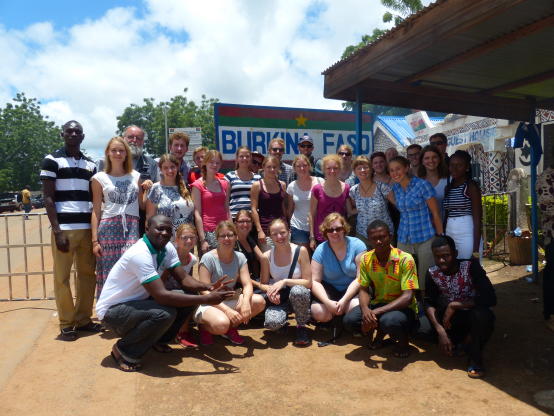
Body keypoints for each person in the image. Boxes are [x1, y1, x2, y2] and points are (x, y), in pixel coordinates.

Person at [96, 215, 234, 371]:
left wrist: (208, 287)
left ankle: (158, 340)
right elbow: (161, 296)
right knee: (164, 313)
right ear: (147, 229)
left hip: (137, 304)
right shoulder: (140, 253)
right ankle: (123, 350)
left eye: (168, 230)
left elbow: (184, 279)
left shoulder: (167, 248)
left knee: (187, 298)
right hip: (112, 312)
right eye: (159, 229)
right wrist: (207, 299)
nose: (164, 233)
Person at [40, 120, 100, 341]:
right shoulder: (51, 160)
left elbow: (94, 199)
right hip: (64, 229)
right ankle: (67, 323)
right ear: (62, 134)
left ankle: (83, 319)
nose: (73, 134)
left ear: (82, 136)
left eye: (77, 132)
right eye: (69, 131)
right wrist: (57, 231)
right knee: (62, 277)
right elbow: (48, 198)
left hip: (86, 229)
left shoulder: (90, 165)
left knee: (87, 276)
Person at [343, 220, 419, 357]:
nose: (378, 241)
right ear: (369, 240)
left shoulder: (405, 259)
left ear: (390, 237)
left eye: (382, 237)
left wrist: (375, 312)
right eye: (374, 238)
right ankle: (378, 334)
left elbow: (407, 297)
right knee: (350, 320)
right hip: (378, 303)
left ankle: (403, 343)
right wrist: (366, 311)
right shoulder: (366, 259)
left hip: (403, 308)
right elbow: (363, 289)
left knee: (389, 321)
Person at [424, 235, 496, 378]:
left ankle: (475, 358)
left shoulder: (471, 266)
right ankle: (459, 342)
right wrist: (440, 331)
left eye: (446, 256)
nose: (442, 260)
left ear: (455, 254)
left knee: (483, 316)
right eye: (437, 257)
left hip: (472, 316)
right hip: (450, 321)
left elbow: (490, 298)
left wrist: (455, 305)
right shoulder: (432, 273)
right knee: (428, 322)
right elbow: (428, 303)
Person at [194, 220, 266, 345]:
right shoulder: (208, 258)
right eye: (223, 236)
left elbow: (247, 284)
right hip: (210, 303)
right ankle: (205, 327)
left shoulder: (240, 257)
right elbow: (204, 292)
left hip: (229, 299)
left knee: (259, 301)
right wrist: (227, 310)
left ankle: (230, 328)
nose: (227, 239)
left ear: (236, 237)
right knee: (222, 324)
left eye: (230, 235)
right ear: (217, 238)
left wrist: (246, 302)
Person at [91, 137, 142, 298]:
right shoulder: (99, 178)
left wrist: (149, 188)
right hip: (108, 229)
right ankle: (108, 307)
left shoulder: (136, 176)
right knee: (109, 270)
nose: (118, 154)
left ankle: (129, 305)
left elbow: (142, 204)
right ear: (108, 153)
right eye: (114, 150)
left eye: (121, 150)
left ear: (126, 154)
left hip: (131, 227)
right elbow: (96, 211)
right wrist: (95, 241)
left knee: (131, 268)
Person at [389, 156, 443, 291]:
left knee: (425, 277)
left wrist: (441, 237)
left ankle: (425, 303)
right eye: (391, 170)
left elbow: (435, 213)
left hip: (425, 237)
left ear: (406, 168)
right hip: (404, 238)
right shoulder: (395, 188)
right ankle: (410, 302)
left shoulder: (422, 185)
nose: (395, 173)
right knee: (405, 276)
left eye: (398, 169)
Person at [258, 219, 312, 345]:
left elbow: (308, 282)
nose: (279, 237)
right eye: (275, 234)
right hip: (281, 298)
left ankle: (301, 326)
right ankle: (283, 321)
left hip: (299, 298)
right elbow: (263, 283)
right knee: (272, 323)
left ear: (289, 232)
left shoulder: (301, 251)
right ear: (270, 236)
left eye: (282, 232)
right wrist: (271, 291)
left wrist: (285, 281)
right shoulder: (266, 256)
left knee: (298, 291)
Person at [98, 125, 158, 235]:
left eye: (138, 138)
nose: (134, 140)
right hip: (111, 219)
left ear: (143, 142)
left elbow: (156, 194)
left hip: (141, 221)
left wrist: (149, 188)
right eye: (130, 137)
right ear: (123, 138)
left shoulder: (152, 164)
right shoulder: (104, 163)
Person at [310, 213, 366, 325]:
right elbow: (315, 281)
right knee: (318, 312)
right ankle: (335, 317)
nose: (334, 232)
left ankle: (342, 319)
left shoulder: (358, 245)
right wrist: (327, 302)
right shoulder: (320, 250)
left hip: (352, 288)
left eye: (338, 229)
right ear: (325, 232)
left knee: (354, 307)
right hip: (330, 289)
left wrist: (344, 300)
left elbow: (360, 278)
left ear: (344, 229)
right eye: (330, 230)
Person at [162, 223, 200, 348]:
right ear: (177, 240)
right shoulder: (169, 256)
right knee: (189, 296)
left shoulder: (192, 259)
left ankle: (183, 331)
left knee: (192, 294)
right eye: (184, 238)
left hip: (177, 291)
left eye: (192, 237)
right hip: (163, 291)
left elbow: (187, 280)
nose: (189, 241)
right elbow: (161, 281)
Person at [443, 150, 482, 260]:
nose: (454, 168)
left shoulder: (471, 186)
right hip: (450, 231)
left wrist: (476, 250)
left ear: (467, 167)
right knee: (453, 265)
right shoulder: (448, 187)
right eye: (452, 165)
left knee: (468, 265)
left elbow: (478, 219)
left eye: (459, 165)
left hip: (466, 231)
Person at [349, 156, 393, 247]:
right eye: (359, 168)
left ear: (371, 169)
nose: (362, 170)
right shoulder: (353, 190)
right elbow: (353, 209)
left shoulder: (382, 187)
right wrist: (365, 209)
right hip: (362, 234)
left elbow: (398, 205)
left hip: (383, 234)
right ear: (354, 171)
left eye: (365, 167)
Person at [191, 150, 230, 253]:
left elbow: (227, 209)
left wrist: (232, 230)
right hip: (208, 231)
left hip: (225, 230)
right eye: (211, 162)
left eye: (217, 163)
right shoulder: (197, 185)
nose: (214, 165)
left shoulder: (225, 184)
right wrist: (203, 240)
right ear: (205, 163)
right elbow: (197, 214)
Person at [309, 154, 351, 248]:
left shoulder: (347, 188)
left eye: (335, 168)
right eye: (328, 168)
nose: (332, 171)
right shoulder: (317, 189)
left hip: (340, 235)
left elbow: (350, 211)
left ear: (340, 169)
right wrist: (312, 237)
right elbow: (311, 214)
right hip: (322, 236)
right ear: (323, 170)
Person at [146, 154, 194, 235]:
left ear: (177, 167)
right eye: (165, 168)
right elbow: (149, 219)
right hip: (165, 238)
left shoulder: (185, 187)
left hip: (187, 238)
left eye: (172, 167)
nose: (170, 171)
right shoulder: (155, 189)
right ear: (160, 169)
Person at [287, 155, 323, 251]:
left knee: (318, 256)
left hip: (319, 226)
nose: (302, 168)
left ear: (309, 166)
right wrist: (289, 226)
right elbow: (290, 209)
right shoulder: (291, 186)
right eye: (298, 166)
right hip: (298, 226)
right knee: (302, 256)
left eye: (305, 165)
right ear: (294, 168)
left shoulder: (320, 182)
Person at [251, 155, 287, 251]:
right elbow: (253, 209)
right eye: (269, 167)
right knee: (268, 258)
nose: (272, 169)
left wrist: (287, 225)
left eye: (274, 167)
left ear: (278, 168)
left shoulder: (282, 185)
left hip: (282, 229)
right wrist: (259, 231)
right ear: (263, 167)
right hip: (265, 230)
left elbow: (283, 207)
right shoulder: (257, 185)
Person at [537, 161, 554, 331]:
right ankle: (550, 314)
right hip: (552, 236)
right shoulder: (546, 177)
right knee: (552, 275)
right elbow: (547, 206)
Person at [225, 146, 262, 218]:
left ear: (250, 158)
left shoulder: (258, 178)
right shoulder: (229, 176)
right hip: (234, 217)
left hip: (252, 218)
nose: (244, 158)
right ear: (237, 159)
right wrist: (229, 219)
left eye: (247, 156)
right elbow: (225, 202)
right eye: (241, 156)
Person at [418, 145, 449, 220]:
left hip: (447, 224)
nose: (431, 161)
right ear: (422, 161)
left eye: (434, 157)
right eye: (427, 158)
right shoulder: (417, 183)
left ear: (439, 159)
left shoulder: (449, 180)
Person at [235, 210, 264, 281]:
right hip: (242, 283)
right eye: (241, 221)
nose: (245, 224)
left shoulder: (249, 239)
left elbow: (262, 258)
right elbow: (236, 275)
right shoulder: (233, 243)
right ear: (235, 223)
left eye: (248, 221)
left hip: (255, 280)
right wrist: (260, 285)